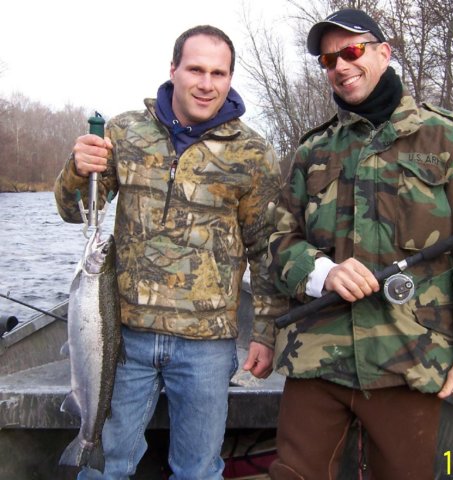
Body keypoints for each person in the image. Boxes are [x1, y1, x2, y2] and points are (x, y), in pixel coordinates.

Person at [267, 8, 453, 480]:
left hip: (413, 362)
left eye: (352, 52)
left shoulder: (450, 138)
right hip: (317, 358)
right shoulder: (311, 150)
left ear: (384, 53)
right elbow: (279, 241)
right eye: (327, 59)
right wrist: (321, 272)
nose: (340, 66)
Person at [55, 25, 286, 480]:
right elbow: (77, 212)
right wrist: (77, 171)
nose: (206, 83)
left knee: (197, 471)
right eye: (196, 69)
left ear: (230, 78)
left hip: (208, 344)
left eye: (218, 73)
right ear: (173, 69)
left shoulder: (254, 153)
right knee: (107, 467)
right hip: (122, 338)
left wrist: (264, 332)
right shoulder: (125, 132)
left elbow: (266, 248)